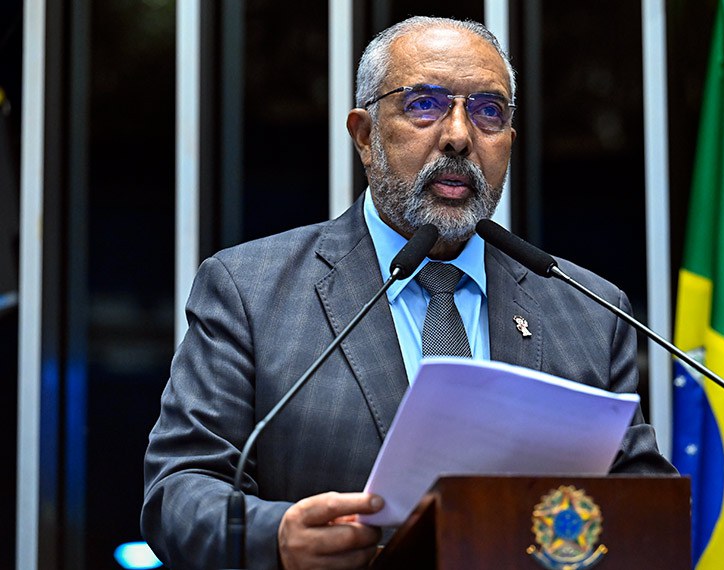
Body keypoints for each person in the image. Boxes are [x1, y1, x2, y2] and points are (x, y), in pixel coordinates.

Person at [142, 16, 676, 570]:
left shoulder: (588, 309)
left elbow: (643, 504)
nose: (460, 135)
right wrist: (276, 537)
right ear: (365, 135)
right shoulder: (250, 290)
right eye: (425, 103)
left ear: (510, 143)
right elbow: (178, 493)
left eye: (489, 111)